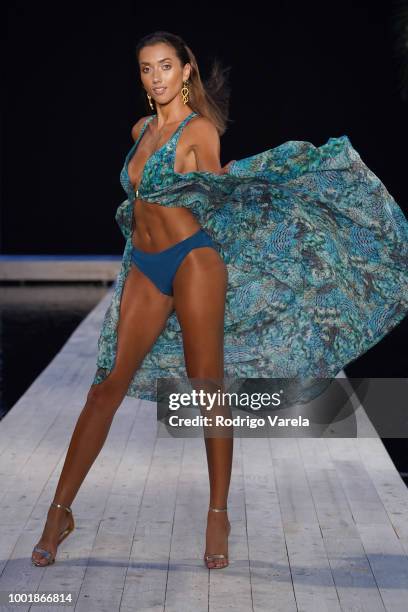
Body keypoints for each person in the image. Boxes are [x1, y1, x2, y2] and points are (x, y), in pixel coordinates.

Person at [32, 30, 408, 571]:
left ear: (186, 72)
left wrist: (244, 181)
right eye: (146, 68)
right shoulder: (141, 130)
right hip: (146, 265)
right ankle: (59, 512)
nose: (155, 77)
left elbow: (216, 194)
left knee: (207, 386)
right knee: (104, 387)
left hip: (192, 262)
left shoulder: (199, 131)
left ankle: (217, 513)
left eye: (165, 66)